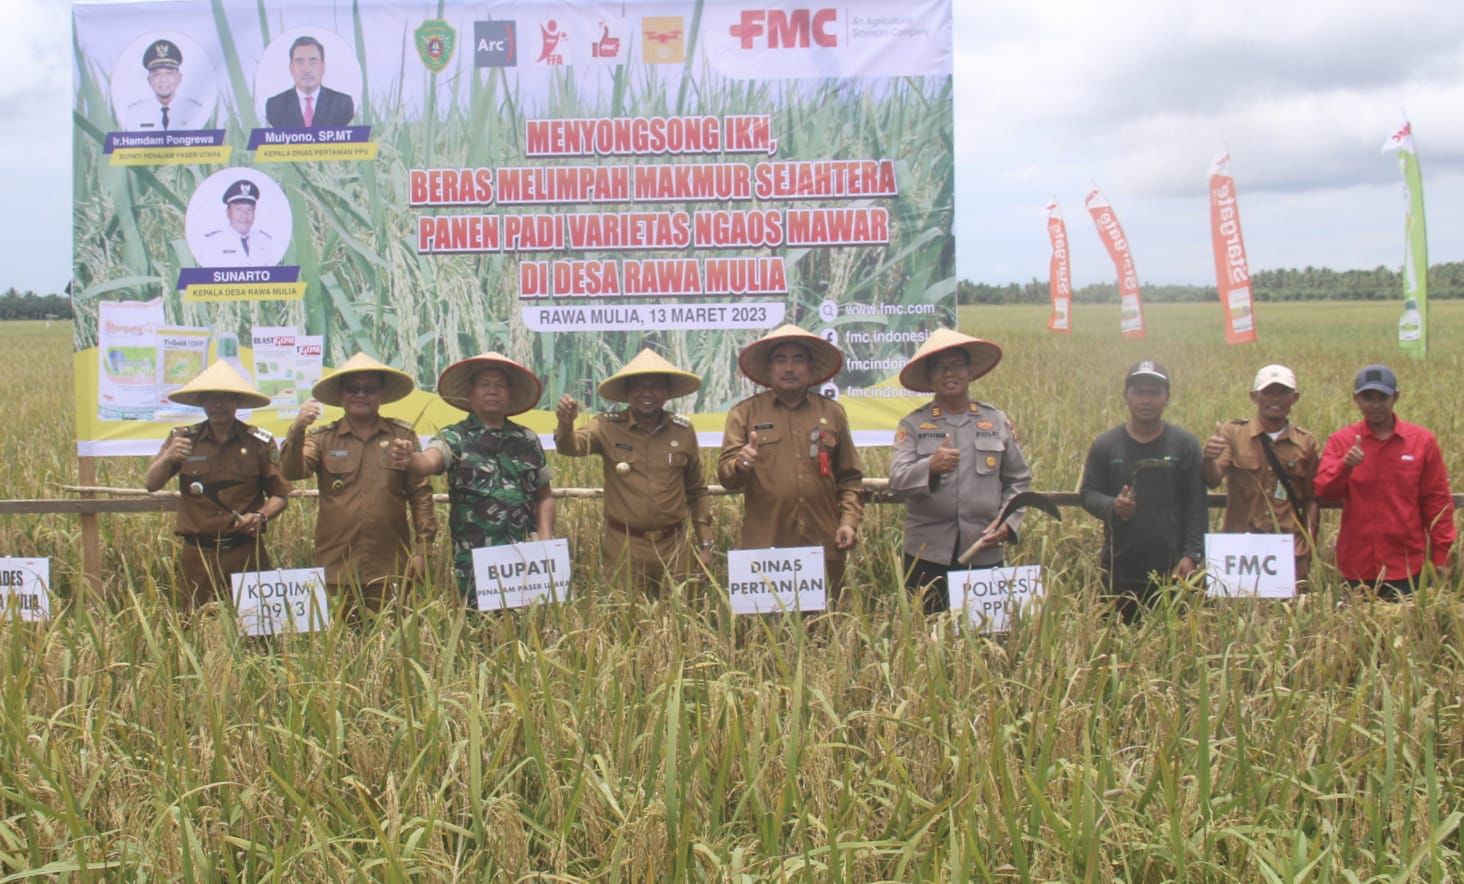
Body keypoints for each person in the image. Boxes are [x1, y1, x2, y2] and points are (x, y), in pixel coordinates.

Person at [280, 353, 437, 615]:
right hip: (336, 565)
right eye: (352, 389)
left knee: (390, 632)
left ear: (381, 394)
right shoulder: (322, 438)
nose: (360, 395)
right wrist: (297, 430)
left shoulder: (401, 436)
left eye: (369, 389)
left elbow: (420, 494)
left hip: (389, 565)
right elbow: (293, 471)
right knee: (339, 635)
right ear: (341, 395)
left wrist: (422, 550)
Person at [391, 352, 553, 604]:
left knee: (528, 623)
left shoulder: (527, 440)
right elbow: (429, 462)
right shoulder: (455, 437)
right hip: (476, 564)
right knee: (478, 624)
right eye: (485, 385)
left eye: (500, 385)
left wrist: (545, 540)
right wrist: (409, 458)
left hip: (525, 559)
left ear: (509, 393)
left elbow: (544, 495)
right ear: (471, 392)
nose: (492, 391)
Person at [888, 328, 1032, 614]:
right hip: (927, 553)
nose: (949, 373)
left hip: (983, 548)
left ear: (970, 372)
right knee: (926, 631)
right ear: (930, 377)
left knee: (987, 631)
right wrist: (930, 467)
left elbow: (1019, 479)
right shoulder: (913, 424)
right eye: (940, 367)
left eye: (956, 365)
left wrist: (1008, 522)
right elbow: (898, 479)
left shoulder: (995, 420)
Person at [718, 324, 863, 600]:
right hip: (766, 545)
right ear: (769, 368)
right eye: (780, 360)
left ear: (810, 367)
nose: (789, 368)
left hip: (823, 541)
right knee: (764, 623)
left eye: (798, 360)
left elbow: (850, 477)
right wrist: (742, 463)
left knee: (826, 621)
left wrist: (848, 521)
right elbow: (726, 477)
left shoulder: (832, 413)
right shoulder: (744, 413)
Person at [554, 349, 713, 596]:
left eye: (656, 386)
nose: (647, 393)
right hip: (624, 545)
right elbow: (571, 447)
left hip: (674, 546)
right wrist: (565, 425)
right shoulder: (606, 426)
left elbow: (697, 490)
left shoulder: (682, 431)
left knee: (681, 614)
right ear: (627, 392)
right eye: (639, 386)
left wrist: (706, 543)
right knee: (624, 615)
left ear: (667, 392)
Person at [144, 360, 291, 611]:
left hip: (244, 552)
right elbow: (151, 484)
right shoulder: (183, 438)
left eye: (225, 398)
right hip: (197, 555)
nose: (218, 405)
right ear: (202, 402)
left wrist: (259, 516)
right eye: (211, 399)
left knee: (254, 624)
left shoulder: (258, 441)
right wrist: (168, 457)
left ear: (237, 402)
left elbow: (280, 495)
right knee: (192, 624)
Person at [1079, 360, 1206, 621]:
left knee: (1174, 639)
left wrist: (1192, 555)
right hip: (1119, 567)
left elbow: (1197, 503)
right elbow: (1088, 494)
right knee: (1116, 637)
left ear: (1167, 397)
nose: (1146, 400)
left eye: (1154, 393)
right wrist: (1113, 506)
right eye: (1139, 392)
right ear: (1126, 396)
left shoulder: (1185, 445)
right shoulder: (1106, 445)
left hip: (1174, 569)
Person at [1315, 364, 1455, 599]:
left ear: (1395, 397)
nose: (1375, 404)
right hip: (1356, 565)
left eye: (1382, 397)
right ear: (1356, 399)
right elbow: (1324, 490)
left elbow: (1437, 502)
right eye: (1368, 397)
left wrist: (1441, 556)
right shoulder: (1342, 441)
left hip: (1406, 565)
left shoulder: (1421, 442)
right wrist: (1345, 466)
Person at [1201, 364, 1320, 581]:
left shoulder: (1306, 442)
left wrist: (1308, 545)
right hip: (1239, 549)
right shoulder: (1233, 433)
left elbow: (1311, 499)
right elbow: (1213, 478)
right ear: (1254, 396)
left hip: (1287, 548)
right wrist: (1208, 458)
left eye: (1283, 392)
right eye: (1267, 392)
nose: (1275, 399)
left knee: (1287, 604)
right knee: (1237, 603)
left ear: (1294, 398)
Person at [265, 36, 355, 128]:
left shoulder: (343, 103)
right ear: (291, 68)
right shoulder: (274, 105)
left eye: (313, 62)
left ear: (323, 66)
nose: (307, 70)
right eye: (300, 62)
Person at [121, 38, 207, 131]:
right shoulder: (134, 114)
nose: (163, 79)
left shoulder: (196, 111)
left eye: (169, 73)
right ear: (149, 80)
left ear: (179, 78)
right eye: (157, 74)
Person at [195, 178, 277, 267]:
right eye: (239, 209)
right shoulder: (213, 242)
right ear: (228, 212)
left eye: (249, 209)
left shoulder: (265, 241)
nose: (244, 215)